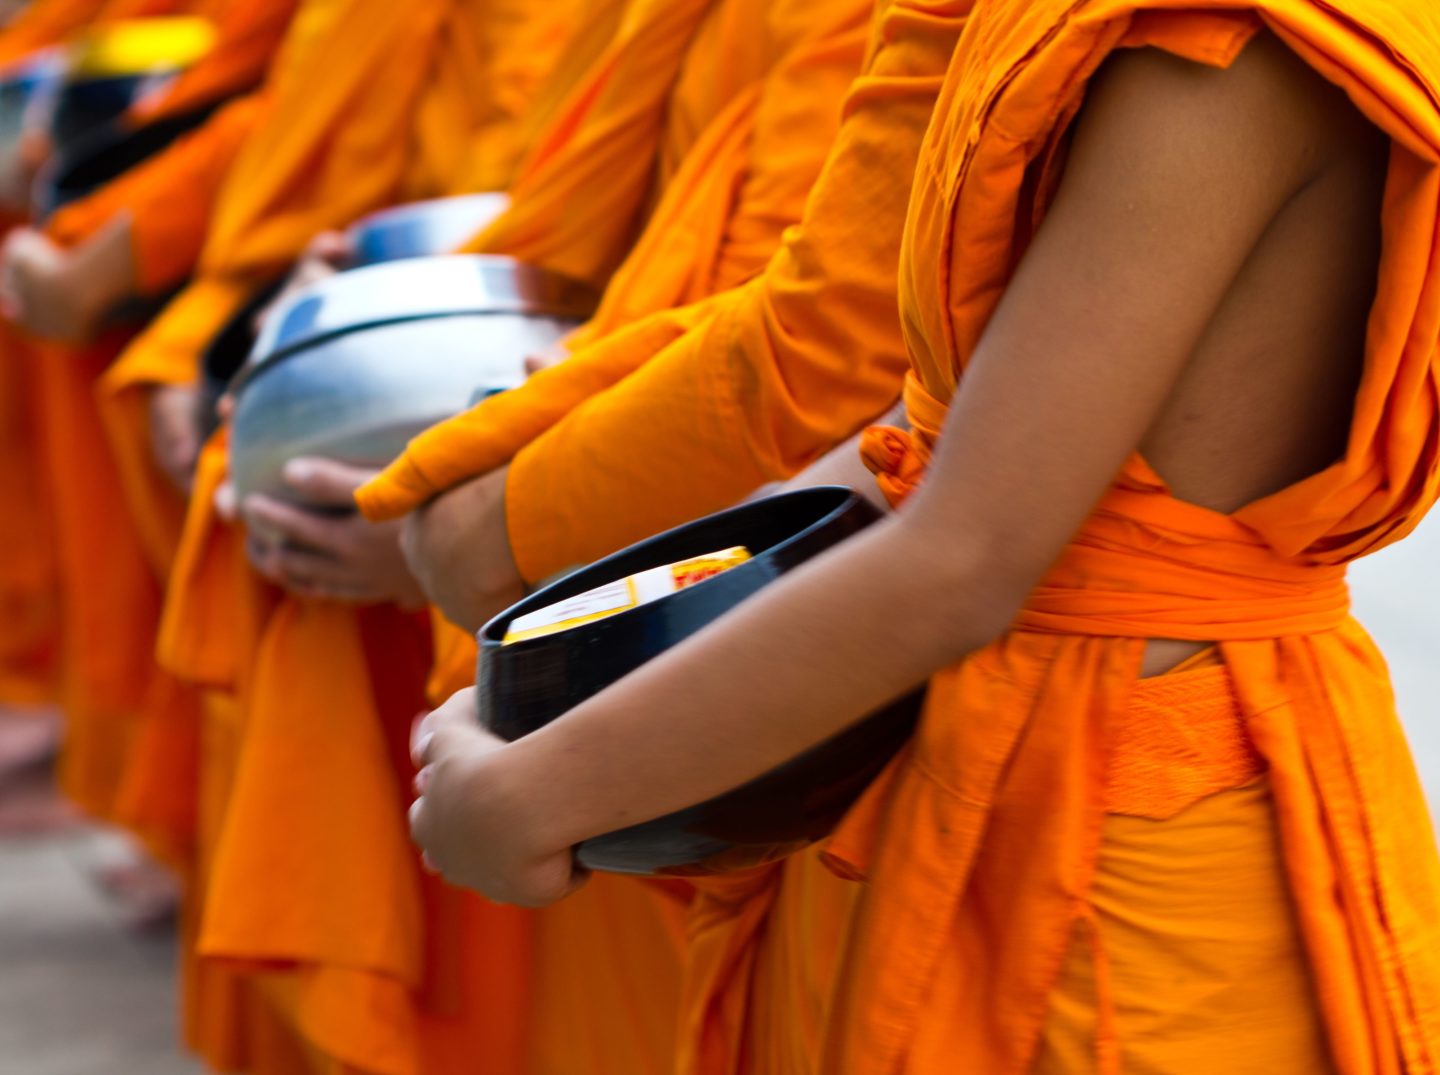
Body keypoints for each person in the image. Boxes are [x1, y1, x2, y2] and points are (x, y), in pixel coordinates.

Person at [409, 1, 1440, 1070]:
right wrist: (578, 669)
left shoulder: (1224, 57)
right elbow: (920, 430)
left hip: (1108, 835)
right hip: (938, 743)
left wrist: (544, 791)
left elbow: (968, 555)